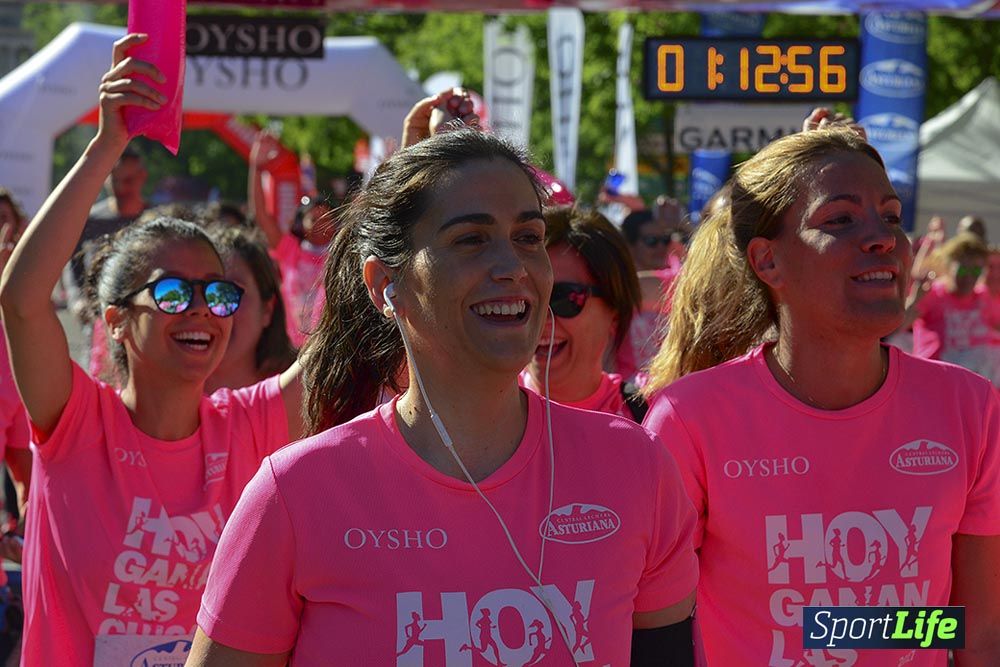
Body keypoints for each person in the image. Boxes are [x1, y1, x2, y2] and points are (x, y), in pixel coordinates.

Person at [186, 128, 698, 666]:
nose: (513, 267)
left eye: (528, 237)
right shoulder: (293, 495)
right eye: (471, 239)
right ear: (386, 282)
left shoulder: (635, 466)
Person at [641, 126, 1000, 666]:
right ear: (768, 261)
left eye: (892, 216)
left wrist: (836, 624)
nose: (882, 238)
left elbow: (976, 632)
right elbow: (652, 635)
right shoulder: (689, 420)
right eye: (840, 220)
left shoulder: (970, 407)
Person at [0, 34, 305, 666]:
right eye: (172, 291)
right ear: (114, 321)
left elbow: (352, 339)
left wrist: (416, 170)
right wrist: (107, 143)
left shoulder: (248, 425)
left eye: (217, 293)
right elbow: (23, 298)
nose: (201, 309)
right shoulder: (78, 423)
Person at [521, 206, 644, 420]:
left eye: (563, 297)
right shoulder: (472, 415)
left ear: (614, 310)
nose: (540, 317)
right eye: (525, 298)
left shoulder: (651, 420)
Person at [204, 224, 297, 393]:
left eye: (228, 292)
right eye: (203, 292)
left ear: (267, 309)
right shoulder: (154, 401)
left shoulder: (308, 399)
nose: (213, 307)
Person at [909, 232, 999, 383]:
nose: (969, 277)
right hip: (933, 378)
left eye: (976, 271)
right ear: (949, 266)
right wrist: (914, 301)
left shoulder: (983, 297)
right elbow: (895, 328)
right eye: (963, 270)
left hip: (972, 381)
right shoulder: (933, 294)